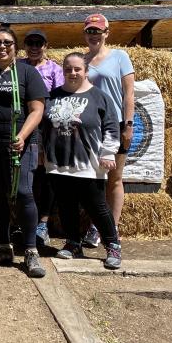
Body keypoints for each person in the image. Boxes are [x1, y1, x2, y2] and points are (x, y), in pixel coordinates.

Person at [0, 26, 48, 278]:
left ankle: (31, 250)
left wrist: (22, 136)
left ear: (15, 46)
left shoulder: (27, 73)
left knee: (24, 193)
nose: (2, 47)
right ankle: (3, 246)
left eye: (7, 43)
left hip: (18, 145)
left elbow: (36, 110)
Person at [42, 52, 122, 270]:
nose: (73, 73)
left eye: (77, 69)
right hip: (59, 163)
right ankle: (73, 243)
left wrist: (108, 152)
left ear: (86, 71)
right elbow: (44, 126)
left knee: (97, 207)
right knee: (66, 205)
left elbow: (112, 127)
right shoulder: (53, 96)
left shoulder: (99, 96)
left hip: (89, 163)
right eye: (68, 69)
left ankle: (113, 245)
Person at [83, 13, 135, 242]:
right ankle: (95, 224)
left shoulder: (120, 56)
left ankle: (110, 228)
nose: (94, 35)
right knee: (93, 180)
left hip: (115, 124)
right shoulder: (81, 62)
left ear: (107, 33)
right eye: (90, 31)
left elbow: (129, 94)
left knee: (114, 178)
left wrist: (129, 125)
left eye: (98, 31)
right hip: (90, 126)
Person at [21, 28, 64, 249]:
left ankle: (43, 223)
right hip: (22, 126)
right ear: (25, 46)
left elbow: (62, 97)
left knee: (46, 174)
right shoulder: (18, 65)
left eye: (39, 43)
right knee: (25, 172)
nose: (35, 47)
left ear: (46, 46)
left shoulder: (55, 69)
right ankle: (22, 221)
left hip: (47, 127)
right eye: (30, 43)